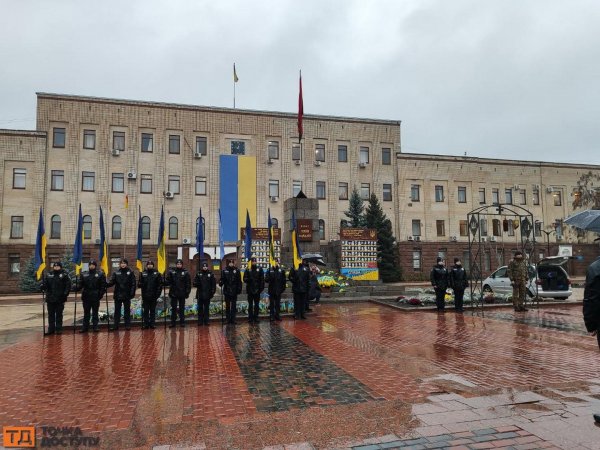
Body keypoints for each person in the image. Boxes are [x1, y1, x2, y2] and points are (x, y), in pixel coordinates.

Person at [74, 260, 106, 332]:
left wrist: (100, 295)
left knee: (95, 313)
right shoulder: (84, 274)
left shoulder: (100, 274)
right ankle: (85, 328)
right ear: (88, 266)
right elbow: (80, 285)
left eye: (93, 265)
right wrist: (75, 287)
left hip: (95, 296)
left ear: (95, 266)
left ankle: (95, 327)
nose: (91, 266)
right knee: (86, 313)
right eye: (90, 265)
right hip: (86, 296)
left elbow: (102, 286)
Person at [41, 261, 72, 335]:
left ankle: (58, 329)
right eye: (55, 266)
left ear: (60, 267)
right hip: (50, 298)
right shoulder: (49, 274)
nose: (56, 267)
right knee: (50, 315)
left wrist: (65, 295)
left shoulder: (64, 275)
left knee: (59, 315)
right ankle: (51, 329)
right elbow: (46, 285)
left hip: (60, 298)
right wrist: (42, 286)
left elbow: (68, 286)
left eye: (58, 266)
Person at [107, 258, 137, 330]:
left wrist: (132, 293)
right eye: (122, 263)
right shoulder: (116, 272)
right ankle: (115, 325)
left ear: (126, 264)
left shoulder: (130, 272)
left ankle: (127, 325)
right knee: (117, 311)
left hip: (127, 295)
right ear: (120, 264)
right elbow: (111, 282)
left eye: (124, 263)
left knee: (127, 311)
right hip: (118, 294)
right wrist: (105, 283)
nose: (123, 264)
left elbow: (133, 283)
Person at [165, 259, 192, 327]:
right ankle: (173, 323)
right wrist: (164, 280)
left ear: (182, 265)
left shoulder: (186, 273)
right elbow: (168, 281)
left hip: (182, 294)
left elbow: (188, 284)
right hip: (174, 293)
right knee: (173, 308)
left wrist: (187, 292)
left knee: (181, 308)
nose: (179, 265)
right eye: (177, 264)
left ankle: (182, 322)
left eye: (180, 264)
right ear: (176, 264)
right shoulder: (172, 272)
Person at [138, 260, 162, 329]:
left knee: (152, 310)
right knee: (145, 310)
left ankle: (152, 324)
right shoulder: (143, 273)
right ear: (146, 266)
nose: (150, 265)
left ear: (153, 266)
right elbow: (139, 284)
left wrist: (157, 294)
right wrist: (140, 284)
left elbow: (159, 285)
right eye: (148, 264)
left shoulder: (157, 274)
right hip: (145, 296)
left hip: (153, 296)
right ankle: (146, 324)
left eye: (151, 264)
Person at [219, 259, 242, 324]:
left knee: (233, 306)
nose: (231, 264)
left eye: (232, 263)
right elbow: (222, 279)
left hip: (234, 290)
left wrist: (239, 289)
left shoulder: (237, 270)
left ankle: (233, 319)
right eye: (230, 263)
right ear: (228, 264)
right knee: (228, 306)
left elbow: (239, 281)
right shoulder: (224, 270)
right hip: (227, 290)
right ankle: (227, 319)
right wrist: (221, 282)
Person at [194, 261, 216, 326]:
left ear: (207, 267)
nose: (205, 267)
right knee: (200, 308)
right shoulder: (198, 274)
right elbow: (194, 283)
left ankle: (206, 321)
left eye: (206, 266)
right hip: (200, 294)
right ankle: (200, 321)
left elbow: (213, 284)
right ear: (202, 267)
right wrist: (197, 283)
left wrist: (212, 292)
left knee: (206, 308)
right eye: (204, 266)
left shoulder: (211, 274)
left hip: (207, 294)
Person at [243, 257, 265, 323]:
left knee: (256, 305)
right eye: (253, 262)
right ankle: (250, 318)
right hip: (250, 290)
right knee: (250, 305)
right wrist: (249, 279)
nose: (254, 263)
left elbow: (262, 280)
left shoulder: (260, 269)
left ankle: (256, 317)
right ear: (251, 262)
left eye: (255, 261)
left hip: (257, 290)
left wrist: (261, 289)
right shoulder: (248, 269)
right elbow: (244, 279)